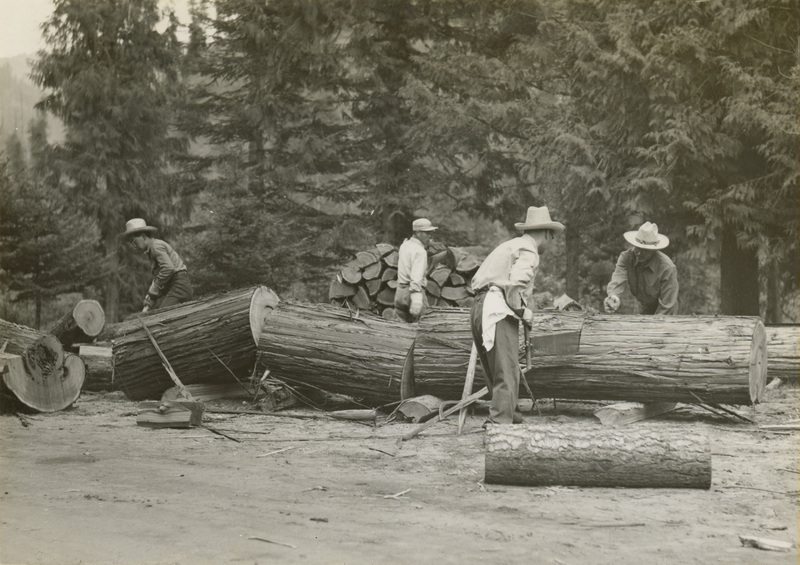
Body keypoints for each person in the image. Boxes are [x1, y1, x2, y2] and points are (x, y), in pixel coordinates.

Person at [470, 206, 564, 425]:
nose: (551, 241)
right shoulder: (528, 250)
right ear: (547, 233)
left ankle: (509, 415)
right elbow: (514, 288)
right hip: (497, 308)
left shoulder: (510, 245)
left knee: (498, 369)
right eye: (552, 236)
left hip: (479, 306)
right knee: (507, 369)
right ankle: (500, 425)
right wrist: (524, 312)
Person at [604, 221, 678, 315]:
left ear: (654, 250)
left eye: (645, 250)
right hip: (642, 304)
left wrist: (656, 325)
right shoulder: (626, 257)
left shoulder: (667, 268)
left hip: (665, 308)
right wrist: (613, 297)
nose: (639, 253)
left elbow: (667, 304)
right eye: (637, 248)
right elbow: (618, 278)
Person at [121, 218, 193, 312]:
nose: (133, 246)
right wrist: (151, 297)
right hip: (174, 286)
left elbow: (168, 268)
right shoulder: (151, 250)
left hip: (179, 286)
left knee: (164, 314)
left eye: (134, 241)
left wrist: (154, 288)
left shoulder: (155, 246)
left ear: (143, 237)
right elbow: (160, 278)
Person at [394, 218, 437, 322]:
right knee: (423, 326)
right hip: (413, 292)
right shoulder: (420, 251)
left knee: (400, 327)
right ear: (418, 233)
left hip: (400, 291)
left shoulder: (404, 245)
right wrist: (417, 299)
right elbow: (416, 277)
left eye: (430, 233)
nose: (430, 236)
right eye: (427, 233)